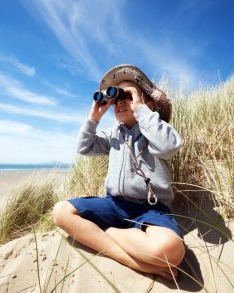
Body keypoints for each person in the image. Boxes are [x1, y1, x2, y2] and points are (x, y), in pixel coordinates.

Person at [53, 64, 185, 281]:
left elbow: (169, 146)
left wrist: (142, 111)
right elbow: (83, 147)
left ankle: (109, 233)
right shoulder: (113, 134)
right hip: (114, 205)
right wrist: (94, 116)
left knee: (172, 250)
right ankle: (128, 259)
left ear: (147, 103)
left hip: (151, 210)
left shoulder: (155, 130)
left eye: (128, 95)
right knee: (61, 212)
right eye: (117, 98)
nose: (121, 101)